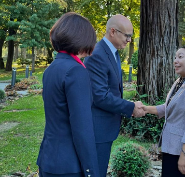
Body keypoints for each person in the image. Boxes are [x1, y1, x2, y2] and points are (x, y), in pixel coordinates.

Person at [36, 12, 100, 177]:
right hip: (69, 165)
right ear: (82, 38)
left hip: (48, 159)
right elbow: (82, 127)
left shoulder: (51, 69)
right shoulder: (76, 71)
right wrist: (91, 170)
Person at [84, 14, 145, 177]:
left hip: (106, 126)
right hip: (98, 128)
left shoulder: (112, 53)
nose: (129, 40)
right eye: (127, 35)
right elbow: (100, 96)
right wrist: (131, 107)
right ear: (112, 31)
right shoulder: (97, 55)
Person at [143, 45, 185, 177]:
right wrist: (145, 108)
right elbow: (169, 107)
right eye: (175, 57)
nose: (175, 61)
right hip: (172, 149)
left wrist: (184, 154)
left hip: (183, 154)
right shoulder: (180, 81)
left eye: (180, 57)